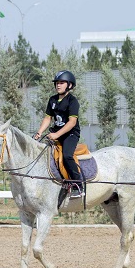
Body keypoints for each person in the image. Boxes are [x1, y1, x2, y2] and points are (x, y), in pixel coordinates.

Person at [34, 70, 83, 207]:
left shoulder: (73, 101)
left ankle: (78, 184)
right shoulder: (52, 100)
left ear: (70, 85)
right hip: (55, 133)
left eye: (61, 83)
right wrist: (39, 132)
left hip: (70, 134)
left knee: (67, 156)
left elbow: (72, 123)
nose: (58, 85)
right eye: (57, 83)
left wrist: (56, 135)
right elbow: (47, 118)